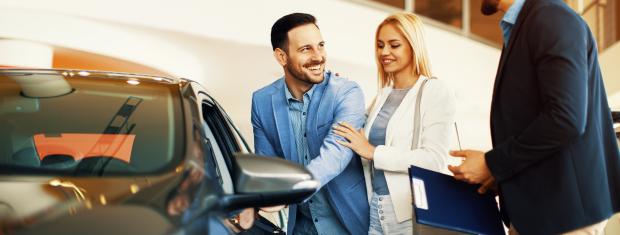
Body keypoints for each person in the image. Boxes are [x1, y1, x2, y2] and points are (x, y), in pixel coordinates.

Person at [448, 0, 620, 234]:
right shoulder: (526, 24)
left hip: (563, 214)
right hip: (543, 211)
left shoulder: (552, 17)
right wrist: (499, 175)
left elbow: (565, 119)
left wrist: (492, 164)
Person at [333, 12, 456, 234]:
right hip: (376, 211)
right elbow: (356, 139)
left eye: (394, 45)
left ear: (413, 46)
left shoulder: (434, 91)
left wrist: (374, 152)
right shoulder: (382, 95)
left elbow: (435, 160)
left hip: (411, 216)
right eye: (380, 45)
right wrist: (337, 94)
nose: (384, 52)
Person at [251, 13, 369, 235]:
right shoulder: (262, 101)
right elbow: (266, 168)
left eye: (321, 46)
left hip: (350, 225)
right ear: (281, 56)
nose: (318, 57)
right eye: (306, 49)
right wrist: (253, 199)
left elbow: (335, 154)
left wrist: (291, 192)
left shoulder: (346, 93)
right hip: (301, 229)